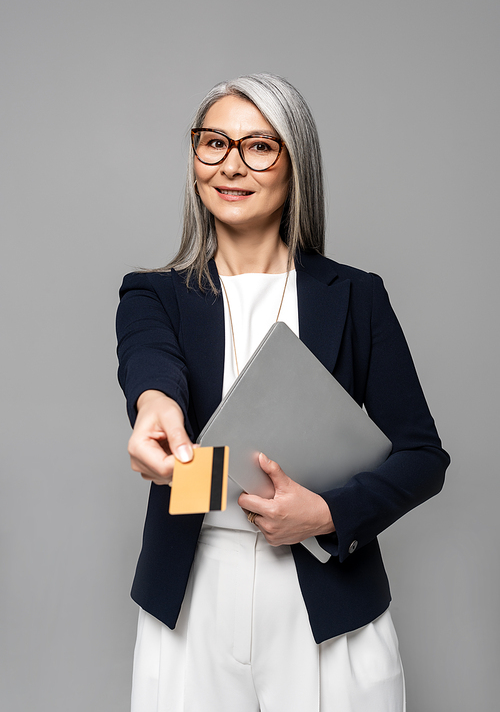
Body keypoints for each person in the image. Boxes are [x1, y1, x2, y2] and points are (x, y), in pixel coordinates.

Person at [116, 73, 450, 712]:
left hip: (325, 592)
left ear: (296, 164)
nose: (231, 165)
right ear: (194, 160)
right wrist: (154, 405)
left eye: (259, 146)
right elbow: (151, 364)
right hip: (191, 592)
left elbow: (423, 457)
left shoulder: (355, 295)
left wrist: (328, 515)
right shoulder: (152, 293)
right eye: (213, 143)